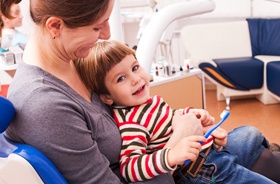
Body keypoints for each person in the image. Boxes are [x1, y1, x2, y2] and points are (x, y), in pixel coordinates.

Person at [4, 0, 204, 183]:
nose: (107, 34)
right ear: (55, 26)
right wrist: (180, 137)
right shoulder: (45, 105)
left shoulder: (77, 61)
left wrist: (181, 121)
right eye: (97, 27)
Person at [75, 39, 280, 183]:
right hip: (198, 170)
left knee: (249, 133)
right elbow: (130, 168)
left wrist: (195, 115)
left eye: (135, 68)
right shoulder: (131, 123)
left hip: (207, 152)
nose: (135, 79)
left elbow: (168, 122)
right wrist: (171, 155)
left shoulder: (147, 103)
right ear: (107, 97)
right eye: (121, 79)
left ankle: (270, 152)